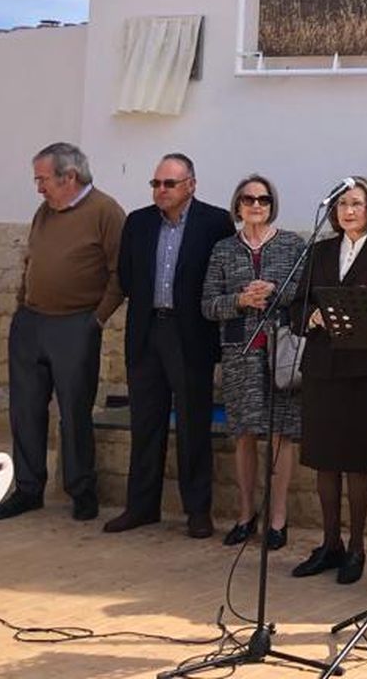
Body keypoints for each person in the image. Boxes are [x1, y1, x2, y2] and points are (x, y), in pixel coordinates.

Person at [102, 153, 235, 538]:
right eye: (156, 183)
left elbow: (223, 276)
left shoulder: (214, 222)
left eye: (169, 184)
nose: (161, 190)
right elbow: (128, 276)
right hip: (147, 332)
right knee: (146, 422)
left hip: (190, 334)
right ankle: (141, 507)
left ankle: (197, 511)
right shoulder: (138, 222)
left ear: (191, 185)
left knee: (193, 424)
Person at [0, 142, 124, 522]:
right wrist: (21, 305)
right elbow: (31, 260)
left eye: (43, 179)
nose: (38, 188)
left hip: (76, 325)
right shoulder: (45, 212)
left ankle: (81, 490)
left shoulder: (106, 212)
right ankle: (27, 489)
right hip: (31, 323)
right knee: (25, 410)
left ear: (69, 177)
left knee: (74, 411)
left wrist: (96, 320)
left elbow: (120, 273)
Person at [289, 176, 367, 585]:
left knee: (357, 462)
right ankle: (330, 544)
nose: (348, 211)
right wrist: (310, 317)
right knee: (324, 460)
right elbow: (296, 306)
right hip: (322, 367)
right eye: (342, 204)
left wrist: (357, 318)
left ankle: (356, 547)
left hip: (364, 371)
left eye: (356, 203)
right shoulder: (319, 251)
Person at [200, 174, 305, 551]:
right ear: (238, 205)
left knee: (281, 435)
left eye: (263, 199)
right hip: (239, 352)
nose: (256, 205)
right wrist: (240, 301)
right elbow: (208, 304)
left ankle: (278, 518)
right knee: (244, 433)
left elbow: (306, 294)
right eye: (248, 199)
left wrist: (276, 291)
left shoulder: (293, 245)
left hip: (281, 353)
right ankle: (246, 514)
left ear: (272, 204)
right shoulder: (223, 250)